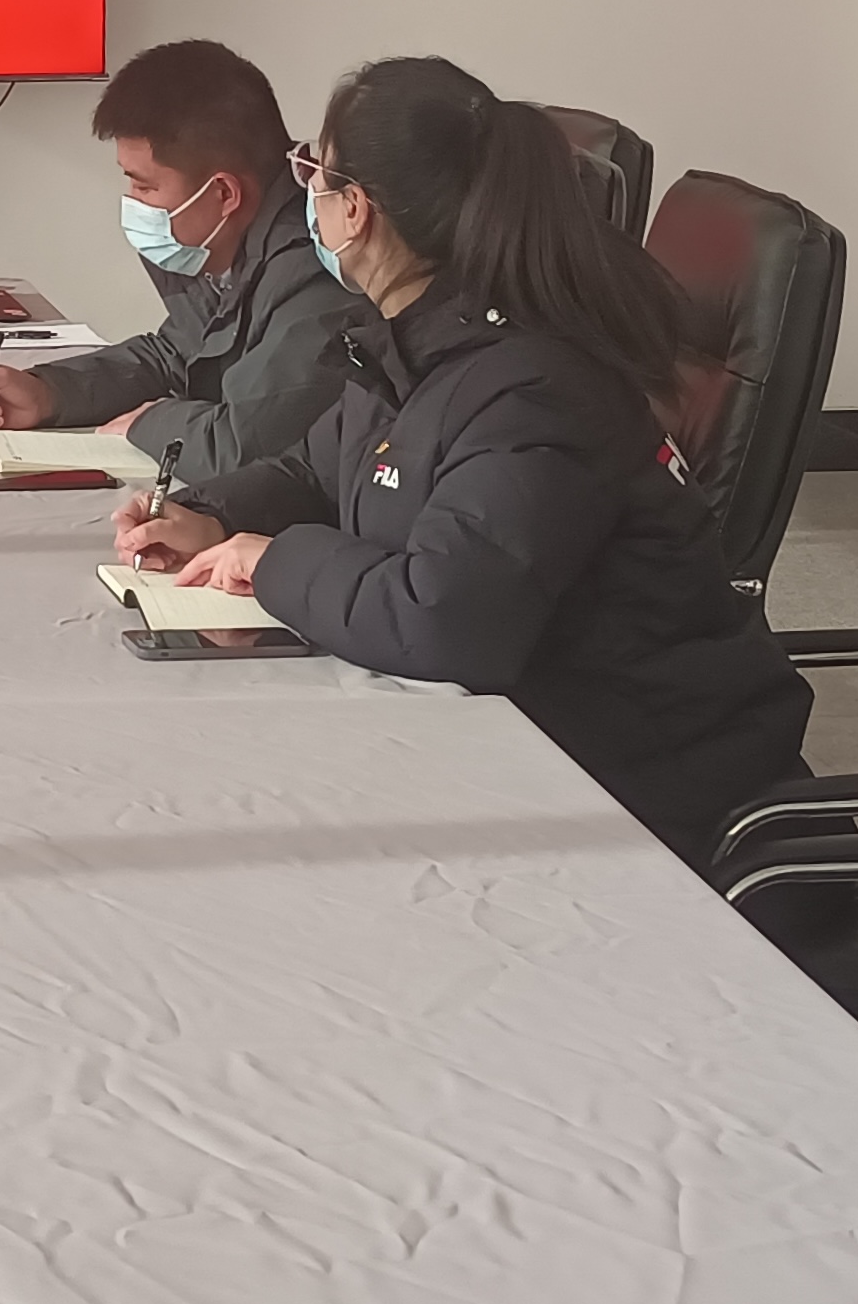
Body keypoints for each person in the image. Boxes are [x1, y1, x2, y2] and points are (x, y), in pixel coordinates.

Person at [116, 57, 809, 864]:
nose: (302, 192)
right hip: (523, 759)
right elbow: (314, 470)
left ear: (356, 209)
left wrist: (272, 561)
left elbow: (443, 619)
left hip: (655, 815)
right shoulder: (412, 340)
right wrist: (208, 515)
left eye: (313, 172)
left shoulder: (531, 384)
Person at [0, 38, 370, 491]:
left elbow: (243, 448)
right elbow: (177, 355)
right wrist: (48, 393)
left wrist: (152, 421)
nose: (133, 203)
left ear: (224, 194)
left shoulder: (318, 271)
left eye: (145, 187)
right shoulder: (227, 244)